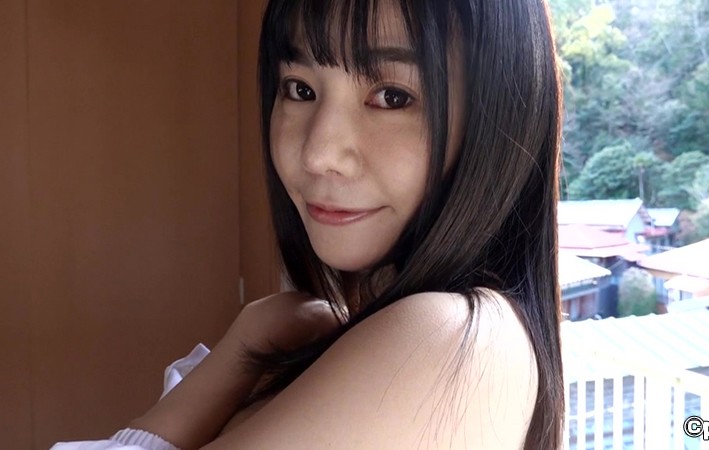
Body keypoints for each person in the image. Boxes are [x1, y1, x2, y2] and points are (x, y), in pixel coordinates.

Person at [52, 0, 564, 448]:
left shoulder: (454, 338)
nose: (318, 153)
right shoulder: (389, 336)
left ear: (499, 119)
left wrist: (232, 360)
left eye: (392, 97)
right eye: (299, 89)